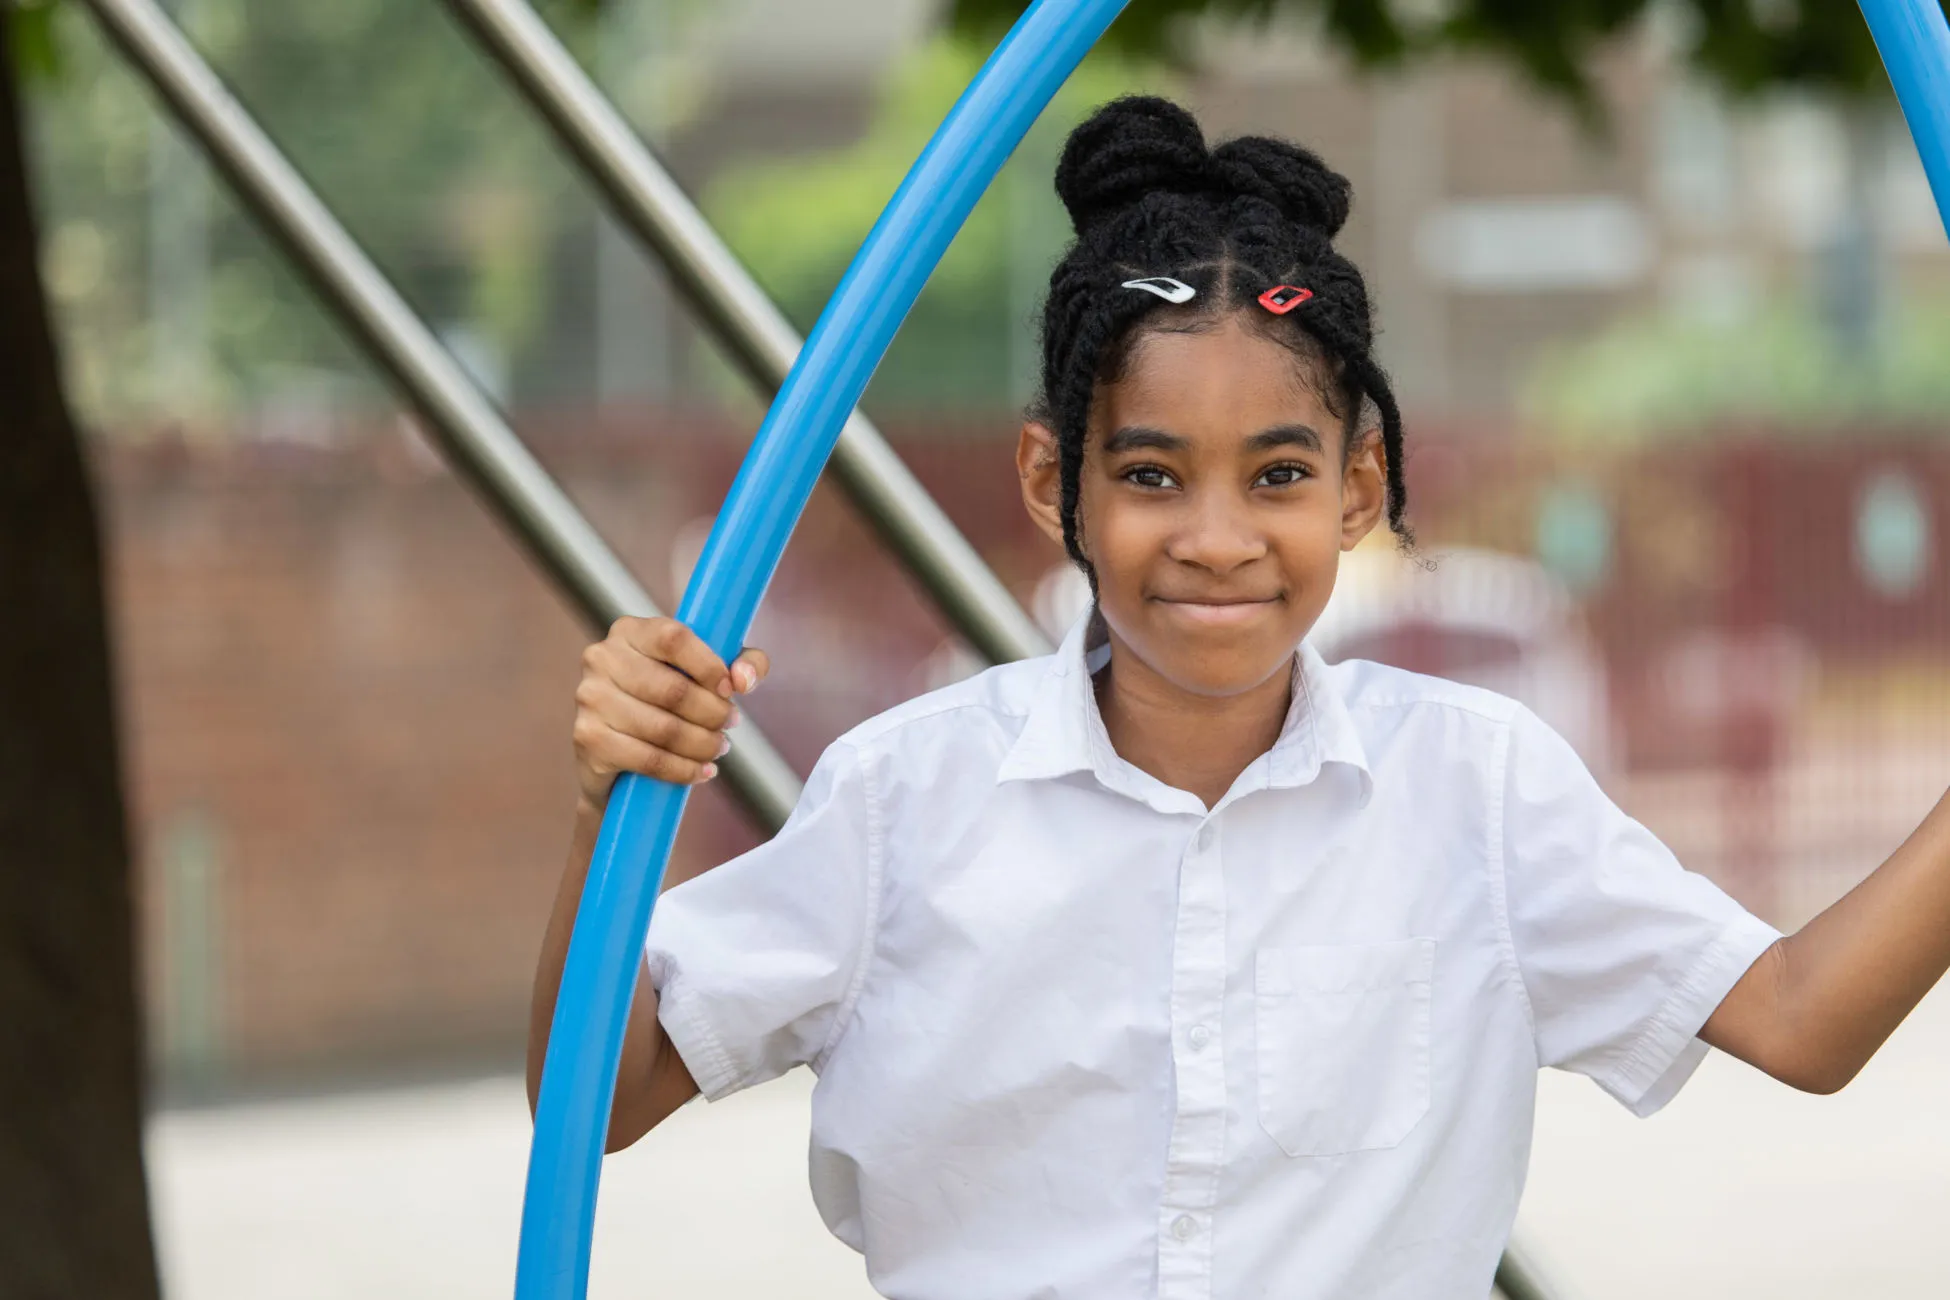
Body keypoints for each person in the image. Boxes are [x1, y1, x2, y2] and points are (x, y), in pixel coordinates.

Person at [530, 97, 1950, 1299]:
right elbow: (587, 1101)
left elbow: (1800, 1019)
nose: (1215, 538)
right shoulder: (905, 798)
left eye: (1276, 475)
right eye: (1150, 476)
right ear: (1051, 484)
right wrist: (610, 802)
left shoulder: (1478, 789)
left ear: (1358, 490)